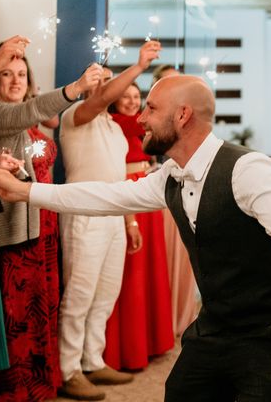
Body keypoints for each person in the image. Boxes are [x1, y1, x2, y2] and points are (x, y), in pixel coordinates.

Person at [0, 74, 271, 401]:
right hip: (214, 328)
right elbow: (104, 196)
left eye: (150, 108)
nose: (140, 118)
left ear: (182, 115)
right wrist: (24, 192)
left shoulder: (248, 169)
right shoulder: (170, 176)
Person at [0, 35, 102, 401]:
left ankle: (40, 384)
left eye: (21, 73)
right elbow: (31, 110)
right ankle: (15, 391)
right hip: (7, 235)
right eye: (5, 73)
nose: (15, 80)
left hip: (37, 227)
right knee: (13, 321)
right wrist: (75, 88)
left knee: (38, 311)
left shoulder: (24, 123)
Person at [55, 41, 160, 400]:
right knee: (80, 294)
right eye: (102, 81)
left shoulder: (115, 128)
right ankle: (68, 369)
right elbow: (98, 100)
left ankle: (92, 360)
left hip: (113, 216)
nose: (107, 87)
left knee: (105, 293)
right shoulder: (75, 117)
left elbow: (120, 181)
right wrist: (140, 65)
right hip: (84, 214)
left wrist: (129, 222)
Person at [103, 82, 174, 370]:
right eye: (126, 97)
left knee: (149, 269)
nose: (133, 102)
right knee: (132, 273)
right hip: (129, 194)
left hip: (146, 190)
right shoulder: (119, 123)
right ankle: (128, 349)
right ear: (114, 101)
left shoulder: (133, 124)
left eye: (136, 97)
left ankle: (149, 342)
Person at [151, 63, 198, 336]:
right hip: (157, 193)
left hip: (188, 191)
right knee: (164, 260)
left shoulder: (191, 119)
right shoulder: (150, 118)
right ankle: (163, 321)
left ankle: (183, 317)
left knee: (187, 257)